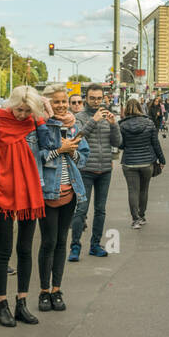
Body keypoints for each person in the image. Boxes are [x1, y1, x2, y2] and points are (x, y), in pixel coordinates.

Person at [0, 86, 47, 327]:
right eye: (18, 109)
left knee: (25, 249)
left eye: (27, 110)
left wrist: (45, 117)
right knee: (4, 251)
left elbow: (49, 148)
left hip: (29, 192)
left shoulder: (36, 123)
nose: (21, 114)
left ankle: (21, 303)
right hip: (1, 192)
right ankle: (2, 305)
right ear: (11, 104)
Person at [36, 85, 89, 311]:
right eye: (56, 102)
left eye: (63, 101)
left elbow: (83, 157)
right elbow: (36, 159)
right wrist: (60, 149)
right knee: (47, 243)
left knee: (61, 243)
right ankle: (44, 291)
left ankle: (57, 290)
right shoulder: (41, 127)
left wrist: (71, 151)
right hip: (48, 194)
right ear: (47, 103)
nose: (61, 106)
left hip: (71, 193)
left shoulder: (74, 126)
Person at [69, 84, 122, 261]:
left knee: (100, 210)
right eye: (92, 98)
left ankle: (95, 245)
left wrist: (114, 125)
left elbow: (117, 142)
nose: (96, 101)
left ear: (103, 98)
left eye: (99, 98)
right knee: (81, 209)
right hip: (85, 170)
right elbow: (76, 138)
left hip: (105, 170)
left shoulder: (108, 117)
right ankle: (75, 246)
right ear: (86, 98)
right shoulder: (79, 117)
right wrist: (94, 121)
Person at [119, 98, 166, 229]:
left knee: (132, 191)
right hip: (147, 163)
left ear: (126, 109)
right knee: (144, 190)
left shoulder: (122, 125)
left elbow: (121, 145)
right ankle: (142, 215)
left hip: (129, 163)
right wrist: (162, 160)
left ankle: (135, 220)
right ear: (140, 108)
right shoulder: (149, 123)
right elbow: (155, 144)